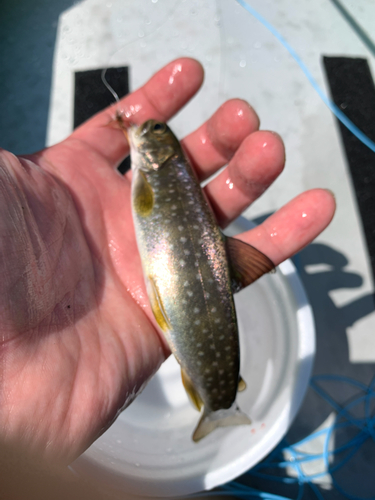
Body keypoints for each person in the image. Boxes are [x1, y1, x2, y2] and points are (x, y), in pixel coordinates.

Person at [0, 58, 335, 464]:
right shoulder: (156, 173)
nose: (150, 128)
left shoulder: (156, 175)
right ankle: (220, 401)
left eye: (158, 130)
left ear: (162, 154)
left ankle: (218, 403)